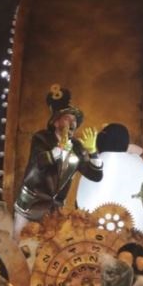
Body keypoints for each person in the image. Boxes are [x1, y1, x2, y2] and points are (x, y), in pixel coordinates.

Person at [13, 85, 102, 237]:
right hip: (30, 206)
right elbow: (39, 162)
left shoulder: (77, 146)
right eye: (67, 118)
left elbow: (95, 175)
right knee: (20, 245)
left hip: (54, 212)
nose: (72, 123)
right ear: (56, 122)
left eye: (74, 120)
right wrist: (58, 150)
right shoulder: (41, 138)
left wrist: (93, 153)